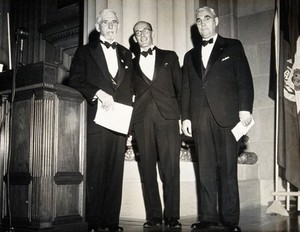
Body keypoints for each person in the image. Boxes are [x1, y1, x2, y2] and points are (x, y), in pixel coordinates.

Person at [181, 6, 254, 232]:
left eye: (207, 19)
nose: (202, 23)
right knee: (205, 170)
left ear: (216, 21)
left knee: (227, 170)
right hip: (199, 119)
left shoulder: (232, 45)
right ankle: (208, 217)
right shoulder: (189, 55)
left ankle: (230, 220)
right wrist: (185, 117)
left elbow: (244, 78)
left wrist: (245, 108)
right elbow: (186, 89)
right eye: (199, 20)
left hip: (227, 118)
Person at [68, 9, 133, 232]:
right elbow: (75, 79)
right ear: (98, 27)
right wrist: (97, 92)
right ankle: (94, 222)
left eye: (114, 22)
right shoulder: (85, 52)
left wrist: (130, 121)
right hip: (96, 119)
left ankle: (111, 222)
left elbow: (130, 87)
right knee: (95, 170)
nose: (111, 26)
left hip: (120, 120)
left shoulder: (126, 53)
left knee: (116, 172)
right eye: (106, 22)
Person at [131, 21, 182, 230]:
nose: (142, 34)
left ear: (152, 33)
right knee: (147, 169)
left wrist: (183, 117)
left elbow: (181, 87)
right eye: (138, 32)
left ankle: (172, 216)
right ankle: (153, 216)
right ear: (135, 39)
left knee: (170, 167)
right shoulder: (130, 64)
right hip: (142, 120)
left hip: (168, 118)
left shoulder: (169, 56)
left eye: (145, 30)